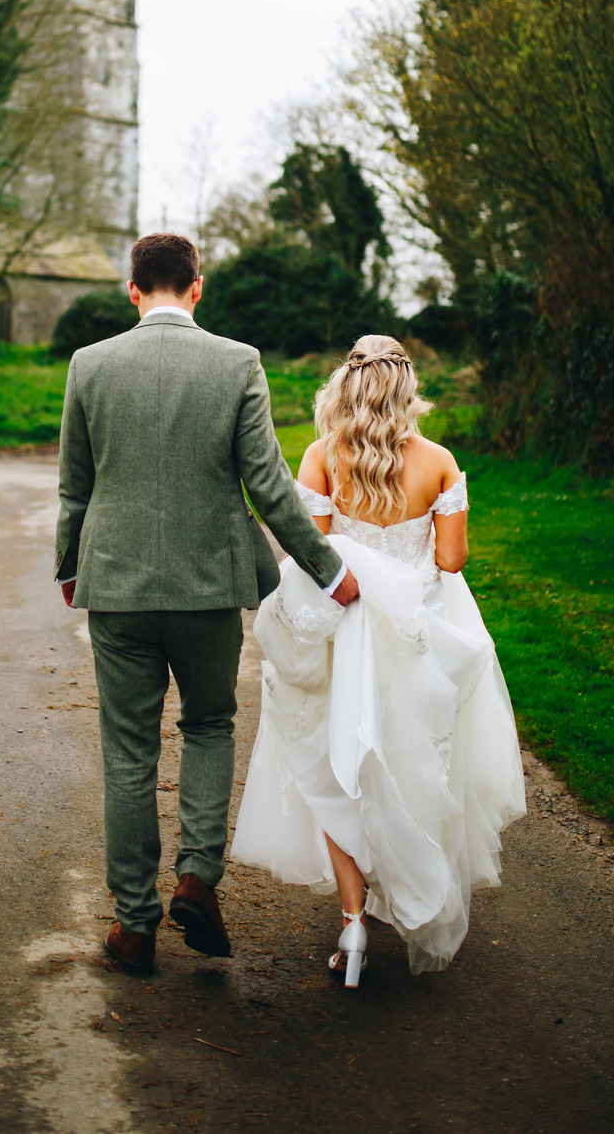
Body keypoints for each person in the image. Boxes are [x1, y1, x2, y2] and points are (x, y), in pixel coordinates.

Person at [55, 231, 358, 975]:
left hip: (117, 588)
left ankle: (133, 925)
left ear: (133, 289)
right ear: (197, 287)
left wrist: (70, 565)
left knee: (127, 753)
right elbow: (269, 482)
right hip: (207, 589)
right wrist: (326, 569)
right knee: (209, 724)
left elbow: (75, 484)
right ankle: (197, 877)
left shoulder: (89, 365)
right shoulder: (236, 362)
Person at [232, 334, 526, 985]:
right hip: (418, 634)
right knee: (417, 764)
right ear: (406, 388)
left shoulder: (321, 456)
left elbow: (312, 554)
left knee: (339, 766)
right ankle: (411, 886)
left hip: (344, 633)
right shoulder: (440, 462)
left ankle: (351, 919)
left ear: (350, 386)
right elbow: (448, 561)